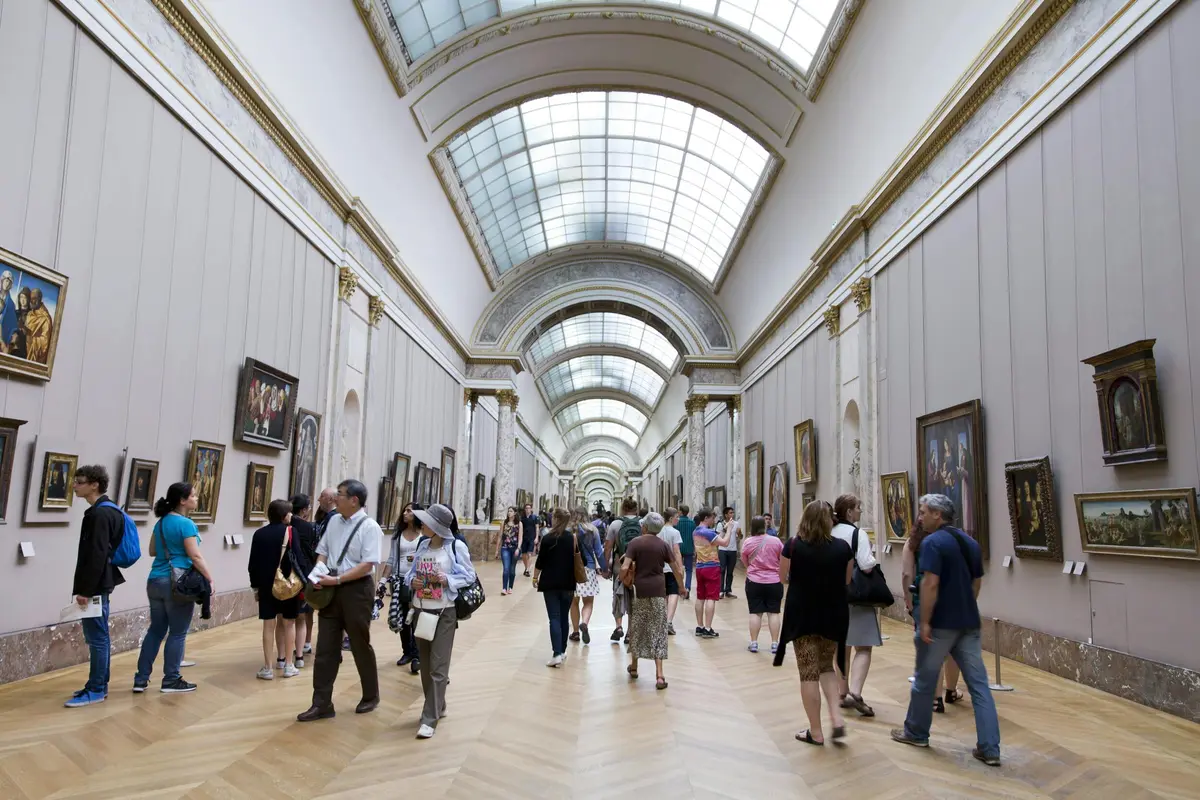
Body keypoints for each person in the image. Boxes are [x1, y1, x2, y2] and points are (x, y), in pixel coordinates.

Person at [892, 494, 1002, 767]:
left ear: (937, 515)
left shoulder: (932, 543)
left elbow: (930, 584)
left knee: (924, 681)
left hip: (940, 624)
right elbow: (976, 583)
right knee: (979, 686)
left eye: (922, 512)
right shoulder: (971, 543)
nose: (919, 518)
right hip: (968, 622)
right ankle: (990, 748)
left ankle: (916, 732)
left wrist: (926, 621)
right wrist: (964, 606)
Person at [297, 479, 383, 722]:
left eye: (341, 494)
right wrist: (318, 572)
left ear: (354, 500)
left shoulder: (370, 527)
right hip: (330, 587)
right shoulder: (334, 521)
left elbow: (368, 565)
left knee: (359, 643)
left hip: (356, 590)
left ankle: (370, 695)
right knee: (325, 647)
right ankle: (321, 703)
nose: (336, 498)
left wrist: (337, 580)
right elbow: (323, 550)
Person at [775, 501, 852, 745]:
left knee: (808, 672)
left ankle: (816, 732)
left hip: (802, 613)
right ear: (829, 520)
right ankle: (837, 718)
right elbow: (847, 580)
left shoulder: (794, 545)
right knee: (826, 666)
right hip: (832, 612)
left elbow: (783, 577)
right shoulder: (842, 547)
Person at [405, 504, 477, 739]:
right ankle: (438, 705)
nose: (422, 524)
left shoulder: (456, 547)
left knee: (438, 666)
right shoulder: (422, 544)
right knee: (425, 665)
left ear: (437, 527)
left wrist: (447, 579)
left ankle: (429, 718)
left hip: (445, 611)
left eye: (426, 522)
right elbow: (410, 572)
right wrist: (412, 581)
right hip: (421, 610)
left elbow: (469, 576)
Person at [134, 482, 213, 694]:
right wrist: (209, 578)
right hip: (177, 582)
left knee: (156, 630)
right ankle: (171, 679)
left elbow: (152, 550)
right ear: (182, 500)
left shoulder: (160, 523)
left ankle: (141, 679)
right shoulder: (185, 524)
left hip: (155, 579)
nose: (196, 498)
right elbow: (194, 555)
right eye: (193, 495)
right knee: (177, 633)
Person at [64, 465, 126, 708]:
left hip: (96, 585)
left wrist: (86, 591)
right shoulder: (107, 511)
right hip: (101, 582)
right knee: (100, 637)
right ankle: (99, 684)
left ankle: (97, 688)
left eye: (79, 482)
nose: (75, 486)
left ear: (94, 485)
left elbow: (97, 554)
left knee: (97, 638)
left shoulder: (100, 514)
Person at [830, 494, 881, 717]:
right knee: (863, 646)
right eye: (858, 508)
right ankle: (856, 692)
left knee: (841, 646)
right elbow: (867, 565)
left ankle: (842, 693)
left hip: (830, 596)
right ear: (849, 512)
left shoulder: (828, 532)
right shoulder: (856, 533)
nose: (861, 511)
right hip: (855, 596)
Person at [621, 512, 685, 689]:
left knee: (637, 627)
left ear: (645, 527)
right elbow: (676, 570)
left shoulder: (635, 543)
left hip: (639, 590)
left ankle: (634, 667)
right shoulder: (663, 545)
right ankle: (659, 675)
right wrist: (681, 587)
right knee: (658, 629)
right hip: (658, 590)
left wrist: (622, 580)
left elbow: (625, 566)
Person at [902, 522, 960, 712]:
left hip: (924, 598)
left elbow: (906, 574)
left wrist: (908, 600)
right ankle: (951, 690)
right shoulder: (950, 541)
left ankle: (936, 698)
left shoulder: (913, 543)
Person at [248, 499, 305, 680]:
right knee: (289, 623)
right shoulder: (291, 531)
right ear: (285, 515)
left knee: (268, 624)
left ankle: (267, 667)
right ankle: (289, 664)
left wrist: (255, 586)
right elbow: (299, 558)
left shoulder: (259, 534)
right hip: (288, 584)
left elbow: (252, 564)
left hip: (266, 584)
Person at [384, 502, 424, 672]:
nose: (405, 513)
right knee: (402, 617)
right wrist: (382, 580)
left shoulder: (424, 535)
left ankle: (417, 654)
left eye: (409, 511)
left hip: (418, 580)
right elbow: (392, 559)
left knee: (416, 617)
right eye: (404, 510)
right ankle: (406, 651)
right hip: (400, 580)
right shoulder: (398, 535)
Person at [534, 509, 577, 667]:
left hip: (550, 583)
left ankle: (557, 653)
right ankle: (563, 651)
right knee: (564, 617)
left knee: (554, 617)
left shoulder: (547, 538)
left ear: (557, 519)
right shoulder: (572, 538)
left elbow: (540, 561)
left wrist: (534, 576)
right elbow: (583, 560)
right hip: (568, 583)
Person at [741, 515, 783, 655]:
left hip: (754, 581)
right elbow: (782, 558)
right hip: (774, 580)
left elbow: (744, 560)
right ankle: (775, 644)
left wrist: (752, 569)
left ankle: (754, 643)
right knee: (774, 612)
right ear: (764, 526)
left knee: (755, 612)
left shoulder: (748, 542)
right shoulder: (775, 541)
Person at [603, 497, 643, 643]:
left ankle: (618, 626)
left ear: (623, 508)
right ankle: (630, 633)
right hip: (638, 565)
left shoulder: (615, 524)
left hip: (620, 564)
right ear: (636, 508)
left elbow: (608, 547)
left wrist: (605, 566)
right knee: (634, 598)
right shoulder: (642, 523)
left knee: (618, 594)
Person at [692, 507, 732, 637]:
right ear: (706, 518)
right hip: (711, 567)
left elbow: (713, 541)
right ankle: (708, 628)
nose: (713, 520)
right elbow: (724, 543)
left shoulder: (696, 531)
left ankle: (700, 626)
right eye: (712, 518)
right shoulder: (708, 532)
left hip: (700, 566)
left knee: (700, 596)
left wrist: (723, 531)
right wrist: (730, 529)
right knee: (710, 597)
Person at [289, 494, 319, 666]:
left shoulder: (286, 524)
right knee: (300, 617)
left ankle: (282, 657)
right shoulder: (306, 527)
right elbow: (309, 551)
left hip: (286, 574)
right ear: (304, 510)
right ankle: (299, 656)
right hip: (303, 572)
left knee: (286, 619)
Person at [569, 505, 605, 644]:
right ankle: (584, 622)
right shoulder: (593, 530)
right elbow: (598, 552)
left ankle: (576, 632)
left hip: (571, 569)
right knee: (588, 602)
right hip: (588, 569)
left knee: (574, 602)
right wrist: (604, 568)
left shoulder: (569, 530)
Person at [657, 508, 685, 635]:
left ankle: (662, 621)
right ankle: (668, 621)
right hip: (671, 567)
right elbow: (677, 551)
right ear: (670, 518)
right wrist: (680, 567)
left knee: (663, 594)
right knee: (674, 593)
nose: (678, 519)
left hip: (659, 567)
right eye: (676, 517)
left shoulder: (657, 531)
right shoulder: (675, 532)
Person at [716, 506, 741, 598]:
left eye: (732, 513)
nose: (732, 514)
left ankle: (728, 590)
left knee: (730, 571)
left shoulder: (736, 523)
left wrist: (740, 533)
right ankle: (720, 590)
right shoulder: (720, 524)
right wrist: (725, 529)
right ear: (726, 515)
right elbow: (718, 537)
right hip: (723, 549)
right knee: (722, 570)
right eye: (730, 513)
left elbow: (739, 537)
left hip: (732, 550)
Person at [496, 506, 521, 595]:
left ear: (514, 513)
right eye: (508, 511)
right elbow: (499, 537)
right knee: (506, 568)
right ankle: (504, 588)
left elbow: (520, 538)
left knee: (512, 569)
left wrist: (518, 548)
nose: (509, 513)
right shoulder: (504, 523)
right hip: (505, 548)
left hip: (515, 548)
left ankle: (510, 586)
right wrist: (497, 550)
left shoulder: (519, 524)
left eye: (511, 511)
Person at [675, 503, 696, 592]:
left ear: (680, 512)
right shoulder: (692, 523)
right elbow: (694, 537)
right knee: (689, 569)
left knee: (678, 568)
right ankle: (687, 587)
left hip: (678, 549)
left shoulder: (676, 522)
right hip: (689, 548)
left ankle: (679, 587)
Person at [520, 502, 540, 577]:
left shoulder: (535, 517)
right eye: (526, 508)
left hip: (532, 537)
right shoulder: (522, 518)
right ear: (524, 509)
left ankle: (528, 569)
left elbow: (537, 527)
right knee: (524, 554)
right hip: (524, 538)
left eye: (529, 508)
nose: (528, 510)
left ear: (531, 509)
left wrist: (536, 537)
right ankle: (526, 568)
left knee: (529, 554)